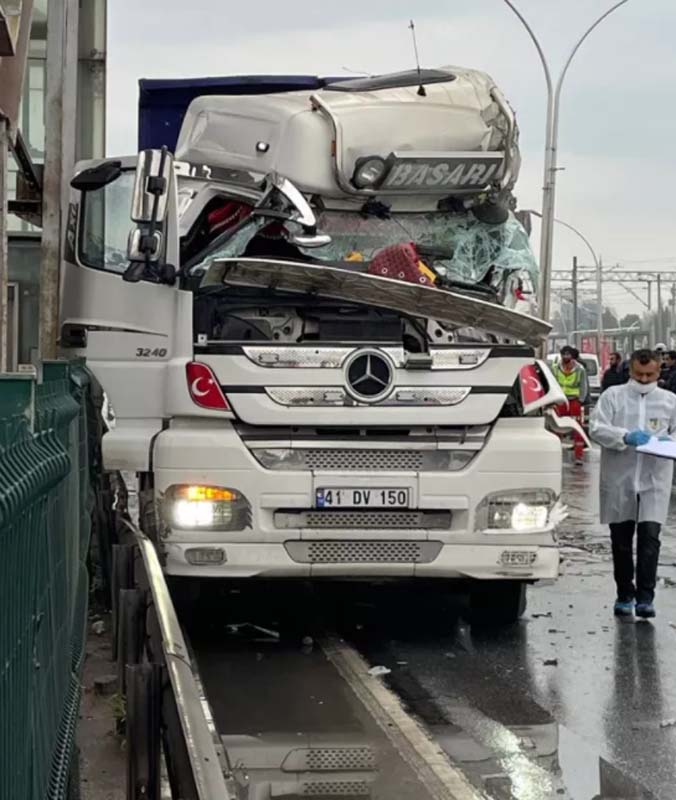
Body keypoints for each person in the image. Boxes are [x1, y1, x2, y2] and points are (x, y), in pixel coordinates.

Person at [590, 349, 676, 618]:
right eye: (639, 374)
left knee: (650, 538)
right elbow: (596, 428)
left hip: (654, 478)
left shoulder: (669, 401)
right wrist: (624, 436)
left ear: (658, 371)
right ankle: (624, 594)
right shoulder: (613, 397)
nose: (644, 379)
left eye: (649, 374)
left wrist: (669, 443)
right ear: (630, 371)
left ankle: (645, 598)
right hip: (620, 477)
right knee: (621, 540)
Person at [552, 345, 588, 463]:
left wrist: (580, 400)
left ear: (572, 357)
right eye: (564, 355)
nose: (565, 357)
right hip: (560, 401)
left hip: (574, 402)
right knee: (556, 427)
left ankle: (579, 456)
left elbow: (583, 386)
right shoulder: (556, 368)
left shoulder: (580, 369)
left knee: (577, 428)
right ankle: (555, 455)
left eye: (568, 355)